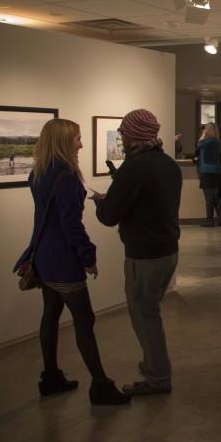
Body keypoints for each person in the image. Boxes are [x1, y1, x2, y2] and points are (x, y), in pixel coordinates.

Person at [13, 119, 129, 406]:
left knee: (50, 313)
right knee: (84, 319)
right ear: (65, 141)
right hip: (63, 259)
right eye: (78, 138)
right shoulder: (65, 176)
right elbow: (70, 226)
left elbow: (47, 220)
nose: (81, 144)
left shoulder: (39, 172)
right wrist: (88, 256)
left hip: (43, 256)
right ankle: (100, 385)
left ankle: (50, 377)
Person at [92, 109, 183, 394]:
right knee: (149, 312)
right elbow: (151, 203)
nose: (120, 134)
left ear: (134, 134)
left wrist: (100, 201)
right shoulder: (168, 164)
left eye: (123, 131)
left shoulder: (134, 168)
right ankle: (153, 363)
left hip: (144, 255)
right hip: (168, 251)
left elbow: (108, 216)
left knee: (145, 317)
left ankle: (158, 377)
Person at [196, 123, 221, 227]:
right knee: (215, 197)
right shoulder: (216, 141)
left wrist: (203, 134)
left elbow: (198, 144)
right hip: (215, 172)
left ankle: (210, 220)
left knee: (209, 197)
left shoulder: (209, 141)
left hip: (207, 172)